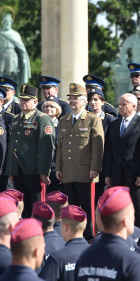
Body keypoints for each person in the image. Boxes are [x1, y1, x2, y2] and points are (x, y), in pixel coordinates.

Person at [56, 83, 104, 240]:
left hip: (86, 172)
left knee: (89, 207)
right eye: (70, 98)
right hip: (69, 171)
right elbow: (61, 146)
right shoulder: (64, 120)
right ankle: (74, 236)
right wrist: (59, 167)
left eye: (76, 98)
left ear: (84, 101)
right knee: (72, 207)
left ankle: (90, 237)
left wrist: (95, 167)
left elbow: (98, 146)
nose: (72, 101)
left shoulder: (92, 119)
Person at [104, 93, 140, 227]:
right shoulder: (114, 124)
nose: (120, 107)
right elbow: (109, 151)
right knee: (118, 209)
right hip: (117, 175)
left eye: (123, 104)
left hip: (135, 177)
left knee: (138, 210)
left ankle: (139, 239)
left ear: (133, 106)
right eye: (119, 104)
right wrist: (108, 174)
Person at [4, 85, 54, 217]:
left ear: (35, 102)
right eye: (21, 100)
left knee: (37, 204)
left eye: (27, 100)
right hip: (19, 170)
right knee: (22, 204)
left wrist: (44, 171)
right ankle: (25, 231)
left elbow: (47, 147)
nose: (23, 103)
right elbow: (12, 146)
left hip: (34, 170)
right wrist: (11, 169)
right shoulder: (16, 119)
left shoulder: (42, 118)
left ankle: (40, 232)